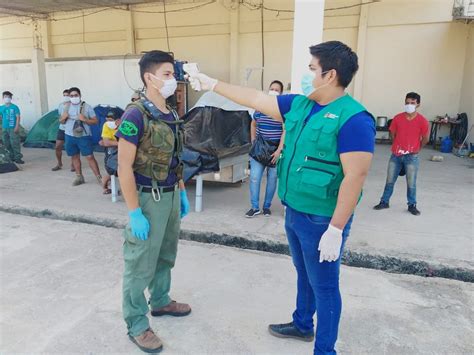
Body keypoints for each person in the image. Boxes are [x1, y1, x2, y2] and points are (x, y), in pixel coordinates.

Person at [188, 40, 375, 355]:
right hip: (295, 210)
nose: (307, 75)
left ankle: (325, 350)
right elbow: (258, 99)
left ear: (330, 75)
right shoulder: (301, 105)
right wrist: (212, 84)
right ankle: (302, 324)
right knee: (305, 274)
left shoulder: (354, 119)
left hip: (322, 219)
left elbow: (355, 177)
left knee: (326, 287)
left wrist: (336, 229)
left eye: (312, 69)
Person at [116, 50, 191, 353]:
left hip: (171, 194)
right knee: (140, 264)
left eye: (174, 74)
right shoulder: (135, 114)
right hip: (148, 198)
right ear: (149, 77)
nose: (174, 80)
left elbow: (175, 158)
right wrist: (135, 211)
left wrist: (182, 190)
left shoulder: (170, 112)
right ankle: (136, 322)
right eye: (167, 74)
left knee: (165, 254)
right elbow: (123, 168)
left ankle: (160, 301)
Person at [373, 92, 429, 215]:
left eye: (412, 103)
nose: (409, 105)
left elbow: (425, 138)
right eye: (407, 102)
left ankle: (412, 205)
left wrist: (417, 149)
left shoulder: (422, 121)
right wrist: (396, 144)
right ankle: (384, 202)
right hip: (396, 155)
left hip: (412, 157)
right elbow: (392, 132)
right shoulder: (398, 118)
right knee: (389, 180)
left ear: (418, 104)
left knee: (411, 183)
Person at [246, 80, 286, 218]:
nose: (273, 91)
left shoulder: (282, 111)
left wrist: (279, 150)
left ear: (281, 93)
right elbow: (253, 124)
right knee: (254, 178)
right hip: (259, 148)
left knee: (272, 179)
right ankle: (255, 207)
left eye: (276, 89)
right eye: (271, 88)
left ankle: (267, 206)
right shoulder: (260, 109)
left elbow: (285, 131)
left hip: (275, 150)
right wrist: (253, 140)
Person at [59, 87, 102, 186]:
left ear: (80, 95)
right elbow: (61, 121)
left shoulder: (87, 107)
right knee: (74, 156)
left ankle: (99, 177)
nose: (74, 97)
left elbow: (95, 121)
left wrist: (85, 119)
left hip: (84, 136)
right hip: (69, 135)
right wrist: (63, 118)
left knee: (89, 156)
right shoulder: (66, 107)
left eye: (76, 95)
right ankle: (79, 176)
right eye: (71, 96)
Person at [100, 111, 121, 194]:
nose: (109, 122)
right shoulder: (106, 125)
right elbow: (106, 142)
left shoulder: (124, 125)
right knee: (111, 171)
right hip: (110, 152)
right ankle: (105, 187)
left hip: (121, 151)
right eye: (108, 120)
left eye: (111, 120)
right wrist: (123, 144)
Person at [52, 89, 73, 171]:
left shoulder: (73, 105)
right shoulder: (60, 105)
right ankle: (59, 163)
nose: (65, 97)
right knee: (57, 146)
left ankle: (73, 164)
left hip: (71, 129)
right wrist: (62, 119)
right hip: (62, 128)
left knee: (71, 147)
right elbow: (60, 117)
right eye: (64, 95)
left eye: (67, 95)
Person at [0, 91, 24, 164]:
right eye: (5, 97)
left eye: (8, 97)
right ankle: (11, 157)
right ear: (3, 98)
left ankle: (18, 158)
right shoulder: (1, 107)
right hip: (4, 128)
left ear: (11, 98)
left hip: (13, 127)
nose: (7, 98)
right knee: (6, 143)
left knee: (15, 143)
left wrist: (17, 126)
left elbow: (18, 117)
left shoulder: (14, 107)